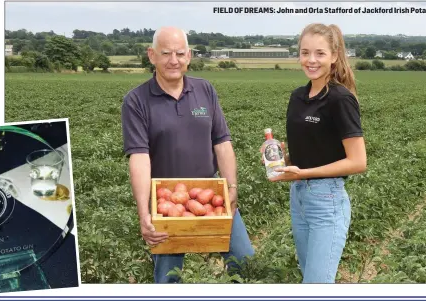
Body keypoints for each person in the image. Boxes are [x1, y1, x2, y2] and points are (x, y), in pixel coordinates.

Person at [121, 26, 255, 283]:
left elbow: (222, 142)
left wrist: (231, 187)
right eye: (166, 53)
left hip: (212, 195)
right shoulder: (136, 101)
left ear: (189, 55)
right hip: (166, 201)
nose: (174, 60)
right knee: (168, 278)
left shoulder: (205, 89)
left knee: (245, 261)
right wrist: (144, 213)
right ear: (152, 55)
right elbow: (139, 157)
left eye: (180, 53)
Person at [265, 23, 367, 283]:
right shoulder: (297, 97)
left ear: (334, 56)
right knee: (308, 278)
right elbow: (307, 152)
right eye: (305, 52)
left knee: (317, 285)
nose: (311, 60)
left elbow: (358, 162)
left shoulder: (340, 99)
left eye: (320, 53)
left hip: (327, 200)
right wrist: (279, 157)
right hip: (299, 198)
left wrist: (304, 173)